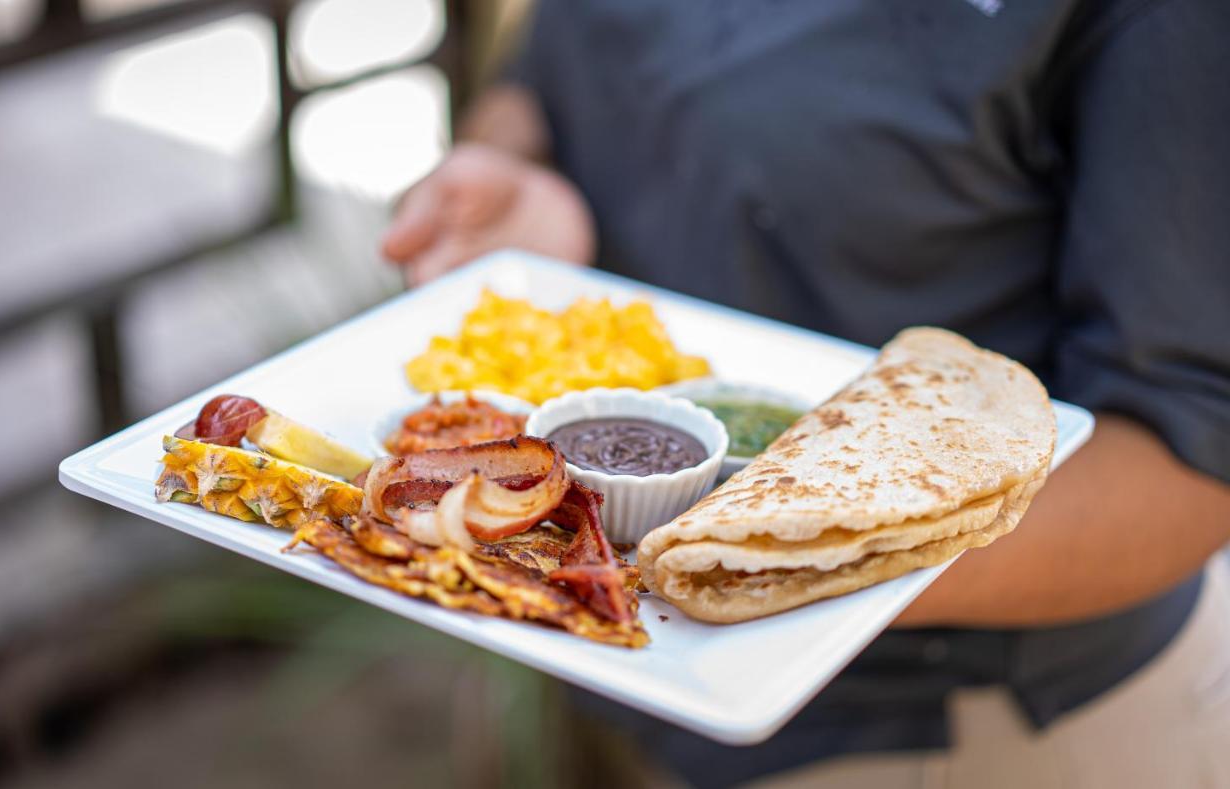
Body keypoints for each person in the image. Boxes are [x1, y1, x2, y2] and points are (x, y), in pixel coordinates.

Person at [382, 1, 1230, 786]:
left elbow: (1196, 460)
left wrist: (766, 553)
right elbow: (546, 65)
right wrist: (510, 158)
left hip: (946, 733)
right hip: (625, 663)